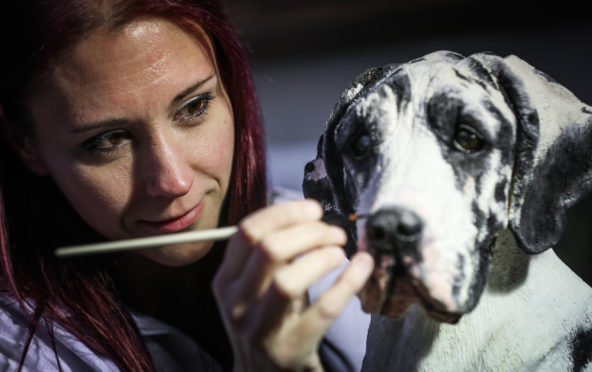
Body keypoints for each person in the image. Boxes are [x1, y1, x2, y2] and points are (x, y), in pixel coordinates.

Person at [0, 0, 374, 371]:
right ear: (24, 143)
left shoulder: (338, 250)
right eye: (107, 140)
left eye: (194, 107)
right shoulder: (19, 349)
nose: (174, 182)